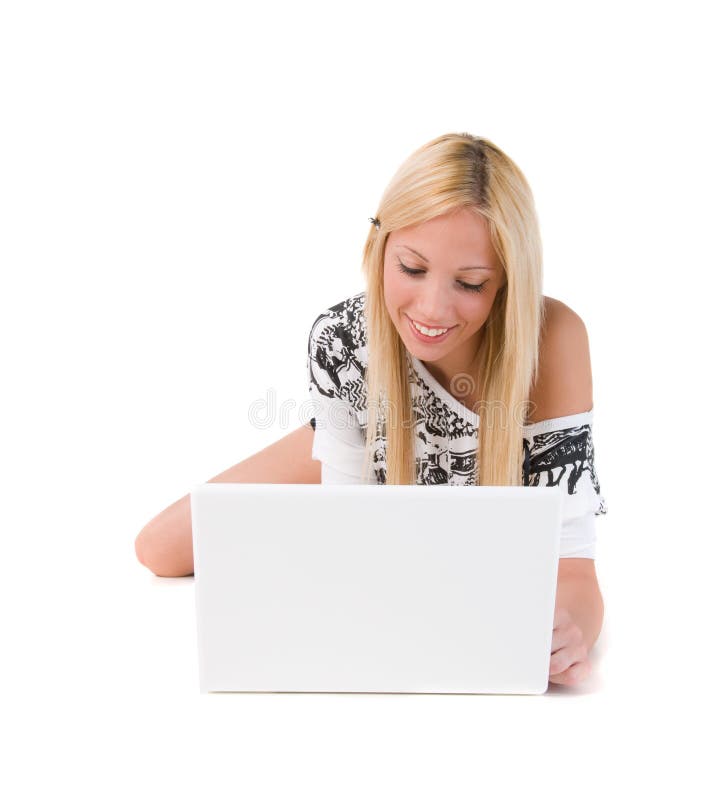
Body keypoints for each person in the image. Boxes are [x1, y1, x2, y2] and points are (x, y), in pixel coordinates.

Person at [135, 132, 607, 687]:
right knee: (159, 549)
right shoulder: (341, 338)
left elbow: (575, 567)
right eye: (411, 268)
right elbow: (349, 553)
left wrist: (570, 629)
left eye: (471, 283)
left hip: (427, 454)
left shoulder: (552, 341)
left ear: (506, 283)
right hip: (371, 436)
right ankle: (336, 448)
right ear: (379, 250)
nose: (432, 307)